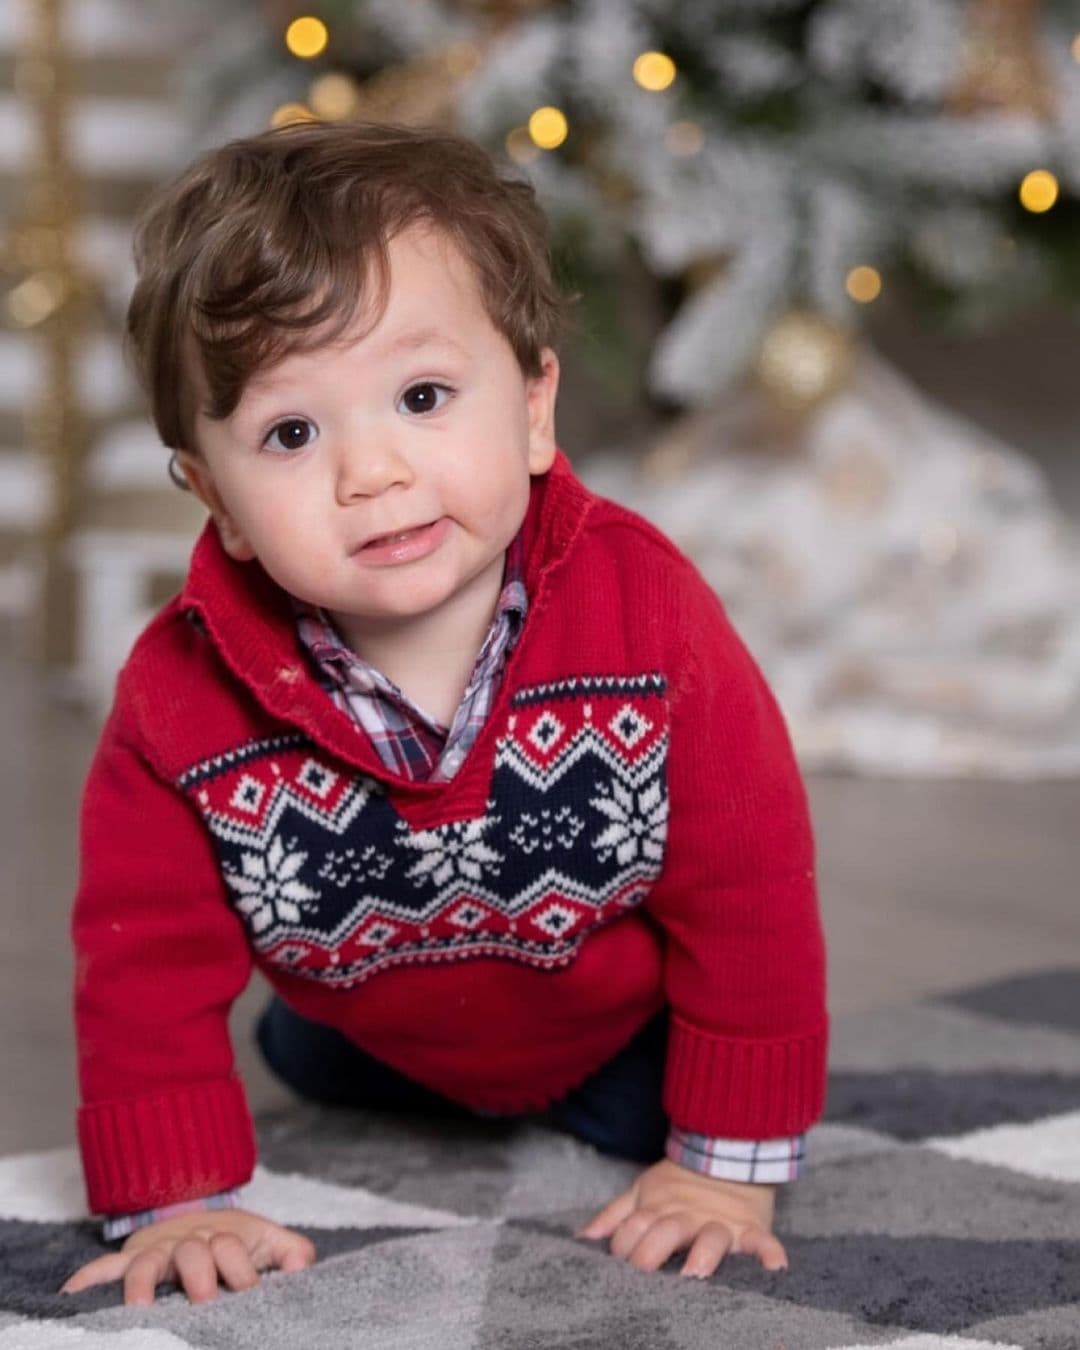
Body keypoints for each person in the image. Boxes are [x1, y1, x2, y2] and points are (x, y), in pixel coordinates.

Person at [61, 121, 827, 1307]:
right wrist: (179, 1202)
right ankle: (361, 1063)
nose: (371, 472)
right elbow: (144, 957)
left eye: (423, 396)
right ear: (216, 499)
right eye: (291, 432)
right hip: (365, 1025)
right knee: (299, 1053)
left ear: (531, 408)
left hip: (607, 1025)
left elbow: (749, 889)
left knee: (684, 1111)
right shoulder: (179, 696)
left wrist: (723, 1171)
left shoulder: (647, 617)